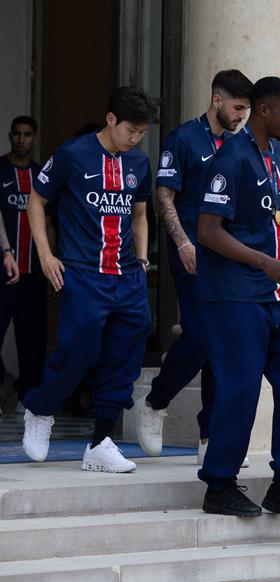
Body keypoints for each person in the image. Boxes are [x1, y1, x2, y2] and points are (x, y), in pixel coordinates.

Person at [196, 76, 280, 524]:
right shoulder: (231, 158)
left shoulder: (279, 152)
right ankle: (220, 484)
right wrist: (266, 263)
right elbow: (208, 231)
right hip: (236, 296)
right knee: (240, 391)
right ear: (264, 111)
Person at [21, 87, 156, 473]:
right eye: (131, 130)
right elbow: (36, 200)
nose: (135, 139)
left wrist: (144, 258)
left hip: (128, 276)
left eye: (142, 133)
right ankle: (40, 407)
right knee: (79, 352)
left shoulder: (139, 163)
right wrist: (46, 255)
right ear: (111, 119)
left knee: (124, 359)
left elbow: (140, 214)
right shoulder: (72, 154)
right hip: (83, 272)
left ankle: (101, 442)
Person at [136, 69, 253, 466]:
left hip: (230, 259)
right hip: (191, 255)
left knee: (224, 346)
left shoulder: (242, 146)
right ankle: (155, 401)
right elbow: (164, 194)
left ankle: (211, 434)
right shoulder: (184, 138)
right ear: (217, 100)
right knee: (201, 337)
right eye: (238, 107)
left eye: (247, 109)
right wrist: (182, 241)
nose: (242, 116)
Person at [0, 116, 46, 410]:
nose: (21, 139)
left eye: (27, 134)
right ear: (9, 136)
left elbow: (49, 222)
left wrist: (50, 261)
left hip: (34, 270)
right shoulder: (0, 168)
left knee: (33, 341)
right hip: (3, 269)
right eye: (17, 134)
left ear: (34, 138)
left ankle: (27, 397)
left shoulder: (42, 175)